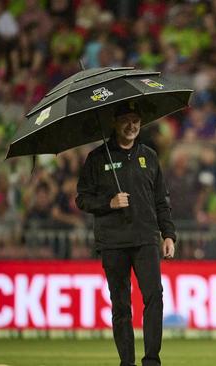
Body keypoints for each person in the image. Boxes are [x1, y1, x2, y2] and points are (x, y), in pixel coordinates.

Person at [76, 101, 176, 366]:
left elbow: (161, 201)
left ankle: (152, 360)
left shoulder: (150, 156)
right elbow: (82, 199)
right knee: (121, 306)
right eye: (126, 120)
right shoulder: (97, 158)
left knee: (154, 298)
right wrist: (108, 203)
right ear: (114, 122)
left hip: (146, 239)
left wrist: (168, 235)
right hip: (113, 242)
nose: (132, 126)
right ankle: (127, 363)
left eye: (136, 121)